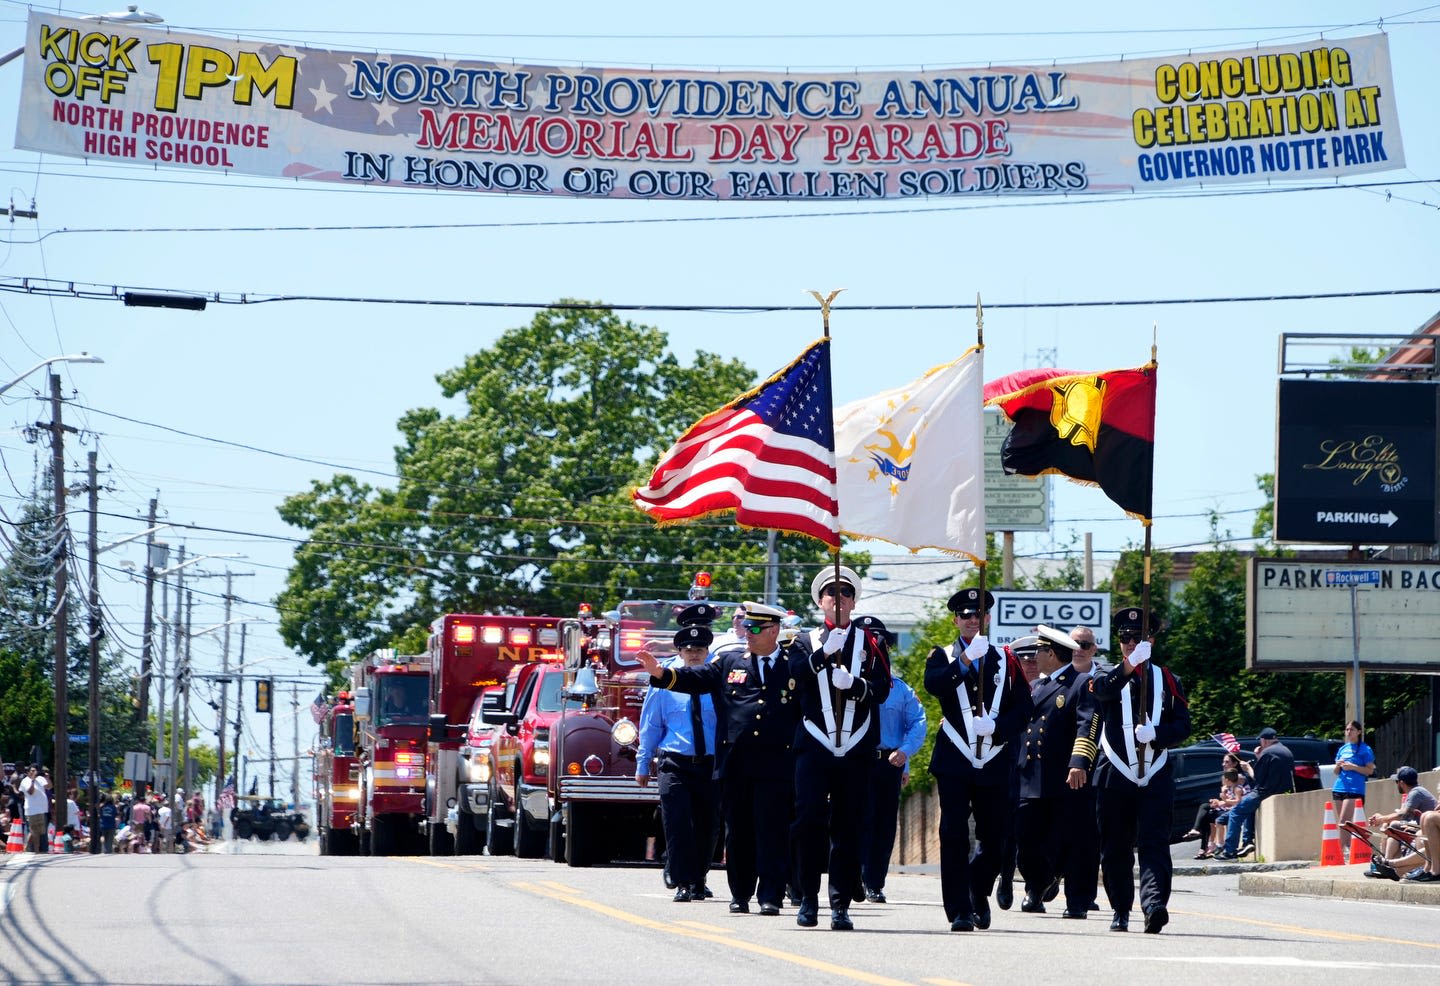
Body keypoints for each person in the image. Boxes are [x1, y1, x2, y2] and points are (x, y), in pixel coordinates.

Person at [636, 600, 799, 918]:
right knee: (737, 832)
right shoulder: (729, 662)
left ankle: (770, 895)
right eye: (746, 627)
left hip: (777, 764)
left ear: (774, 631)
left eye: (754, 628)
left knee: (772, 831)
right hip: (734, 764)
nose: (747, 633)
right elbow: (693, 680)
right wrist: (660, 673)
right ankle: (739, 894)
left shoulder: (794, 664)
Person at [925, 587, 1034, 933]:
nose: (972, 620)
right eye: (965, 615)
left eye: (978, 615)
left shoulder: (1006, 659)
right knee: (954, 833)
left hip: (994, 758)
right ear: (956, 620)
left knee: (996, 835)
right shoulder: (941, 655)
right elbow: (935, 685)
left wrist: (999, 727)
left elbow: (1024, 708)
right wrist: (966, 661)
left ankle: (976, 888)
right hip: (955, 757)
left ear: (987, 618)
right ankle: (958, 909)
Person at [789, 567, 892, 931]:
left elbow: (882, 689)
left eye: (845, 593)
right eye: (831, 593)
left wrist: (856, 684)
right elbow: (791, 680)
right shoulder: (802, 642)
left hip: (855, 747)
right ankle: (807, 899)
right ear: (820, 602)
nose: (839, 599)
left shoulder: (871, 644)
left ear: (854, 601)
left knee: (848, 828)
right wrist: (821, 657)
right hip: (814, 745)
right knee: (808, 823)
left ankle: (840, 904)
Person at [1090, 607, 1191, 934]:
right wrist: (1129, 667)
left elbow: (1183, 725)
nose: (1131, 642)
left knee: (1154, 842)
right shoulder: (1106, 674)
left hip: (1155, 772)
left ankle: (1154, 905)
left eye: (1138, 637)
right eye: (1125, 638)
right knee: (1115, 846)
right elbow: (1102, 692)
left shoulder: (1168, 679)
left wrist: (1158, 735)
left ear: (1151, 639)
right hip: (1115, 771)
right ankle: (1121, 909)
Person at [1014, 624, 1100, 919]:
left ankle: (1075, 902)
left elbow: (1087, 724)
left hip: (1064, 778)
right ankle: (1039, 883)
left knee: (1073, 841)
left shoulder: (1080, 684)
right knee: (1024, 839)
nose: (1034, 656)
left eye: (1039, 651)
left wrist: (1079, 762)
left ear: (1051, 653)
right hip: (1030, 775)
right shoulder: (1036, 687)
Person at [636, 603, 720, 903]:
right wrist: (643, 762)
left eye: (700, 648)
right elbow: (651, 724)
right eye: (688, 649)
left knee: (708, 825)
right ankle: (684, 881)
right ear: (680, 651)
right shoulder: (664, 680)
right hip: (675, 762)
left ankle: (699, 878)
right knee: (678, 821)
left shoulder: (718, 678)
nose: (694, 653)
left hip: (711, 763)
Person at [859, 664, 927, 904]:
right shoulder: (851, 683)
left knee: (883, 826)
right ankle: (855, 875)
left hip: (889, 763)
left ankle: (875, 883)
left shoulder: (901, 690)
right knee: (856, 820)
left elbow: (918, 722)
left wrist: (905, 755)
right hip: (857, 761)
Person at [1216, 727, 1293, 861]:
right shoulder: (1286, 751)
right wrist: (1258, 757)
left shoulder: (1268, 753)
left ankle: (1230, 851)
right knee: (1249, 809)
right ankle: (1247, 842)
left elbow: (1258, 778)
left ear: (1263, 740)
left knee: (1236, 812)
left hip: (1265, 792)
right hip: (1283, 790)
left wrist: (1249, 768)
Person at [1332, 719, 1376, 859]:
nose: (1348, 732)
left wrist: (1353, 767)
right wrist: (1338, 765)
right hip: (1339, 787)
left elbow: (1370, 771)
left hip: (1355, 788)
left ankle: (1340, 851)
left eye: (1351, 729)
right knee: (1343, 821)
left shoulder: (1364, 749)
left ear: (1359, 732)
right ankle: (1350, 848)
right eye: (1347, 729)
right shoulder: (1342, 749)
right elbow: (1336, 772)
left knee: (1344, 821)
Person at [18, 765, 49, 853]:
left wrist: (47, 777)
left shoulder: (40, 778)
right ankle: (35, 849)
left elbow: (49, 786)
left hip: (42, 808)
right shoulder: (25, 781)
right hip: (32, 809)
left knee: (41, 831)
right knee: (34, 830)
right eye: (31, 771)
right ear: (27, 772)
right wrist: (32, 780)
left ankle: (30, 848)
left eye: (35, 770)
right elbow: (30, 792)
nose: (34, 772)